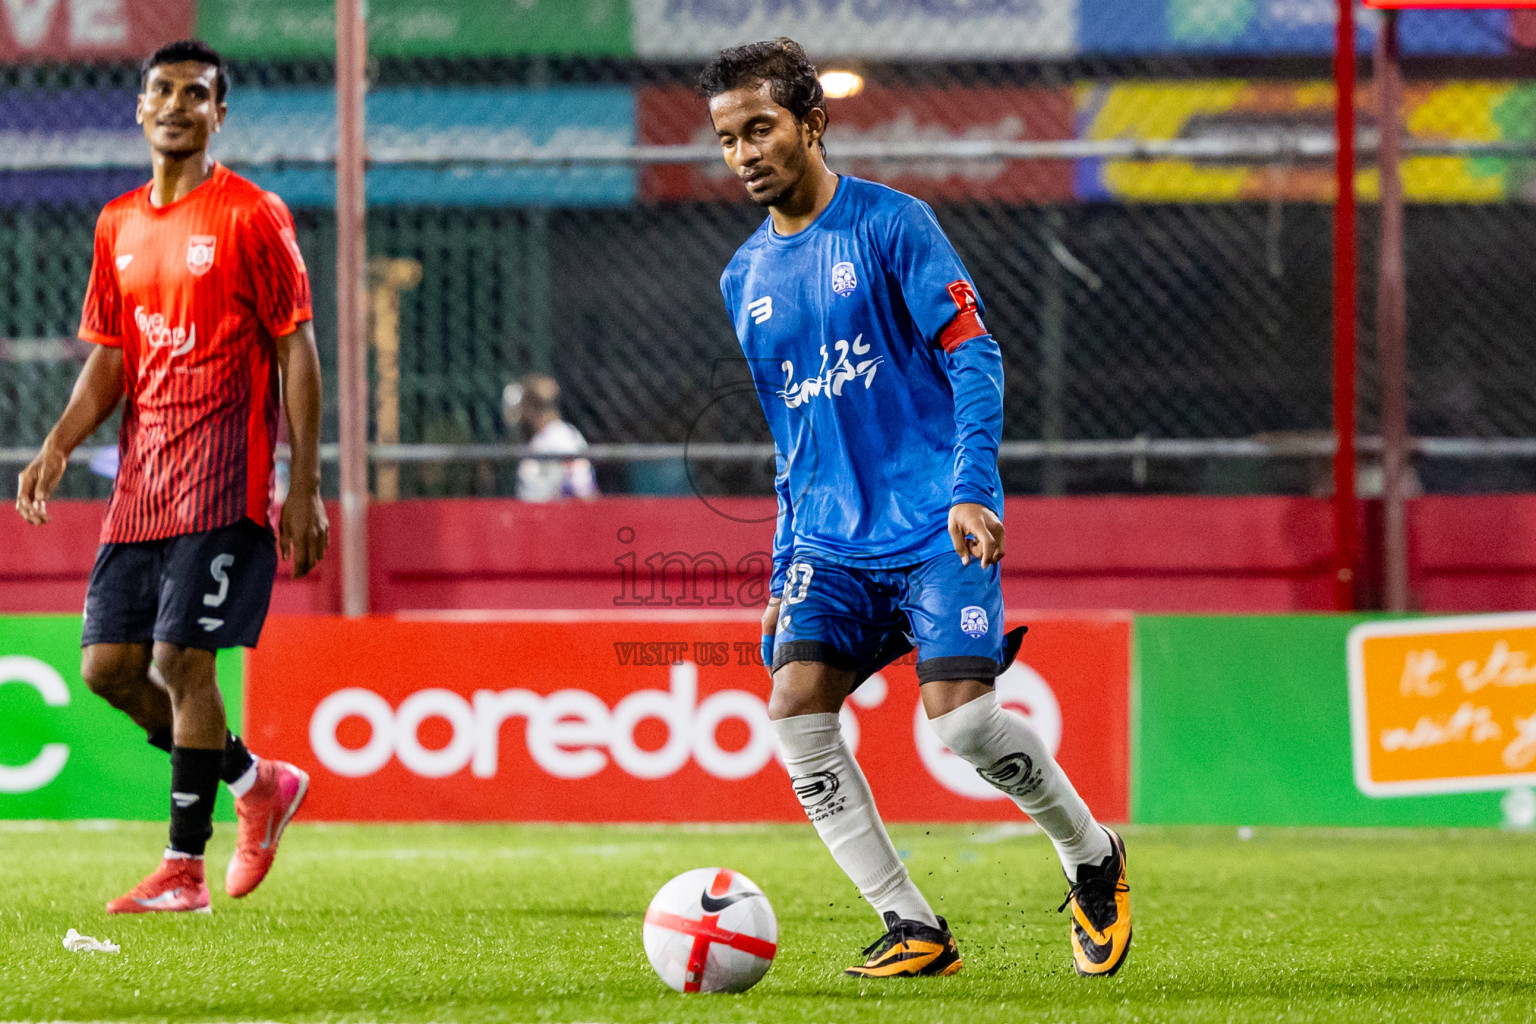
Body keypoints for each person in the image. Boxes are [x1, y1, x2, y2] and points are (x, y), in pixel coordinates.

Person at [704, 39, 1132, 978]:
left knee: (964, 725)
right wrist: (782, 571)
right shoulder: (744, 279)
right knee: (794, 708)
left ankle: (1092, 855)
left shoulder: (894, 225)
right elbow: (792, 441)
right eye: (728, 139)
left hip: (936, 522)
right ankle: (913, 926)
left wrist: (972, 488)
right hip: (830, 544)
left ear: (812, 123)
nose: (744, 154)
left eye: (761, 129)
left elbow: (974, 353)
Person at [13, 39, 326, 914]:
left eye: (197, 93)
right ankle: (256, 781)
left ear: (219, 115)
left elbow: (296, 347)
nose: (178, 105)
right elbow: (113, 354)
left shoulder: (252, 215)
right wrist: (59, 442)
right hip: (142, 485)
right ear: (140, 108)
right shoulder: (117, 223)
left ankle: (182, 870)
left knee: (182, 659)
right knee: (109, 668)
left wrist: (303, 486)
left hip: (226, 478)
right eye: (163, 91)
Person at [503, 372, 598, 502]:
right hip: (534, 511)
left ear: (532, 407)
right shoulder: (539, 439)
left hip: (556, 511)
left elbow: (584, 490)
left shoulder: (561, 437)